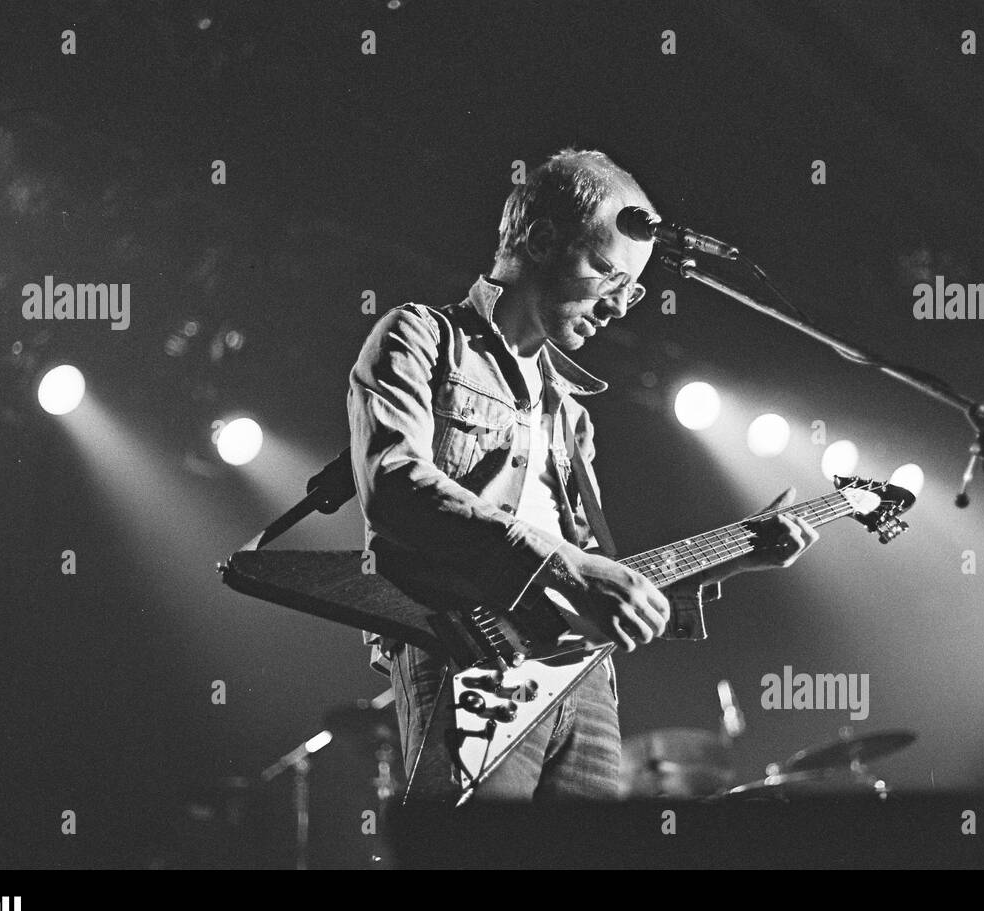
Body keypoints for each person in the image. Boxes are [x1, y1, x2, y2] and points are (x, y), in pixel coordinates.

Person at [347, 147, 817, 801]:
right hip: (470, 651)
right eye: (607, 272)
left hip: (585, 678)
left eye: (634, 291)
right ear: (541, 241)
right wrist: (572, 569)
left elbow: (602, 576)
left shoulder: (571, 415)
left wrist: (733, 558)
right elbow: (396, 486)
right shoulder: (422, 337)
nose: (621, 307)